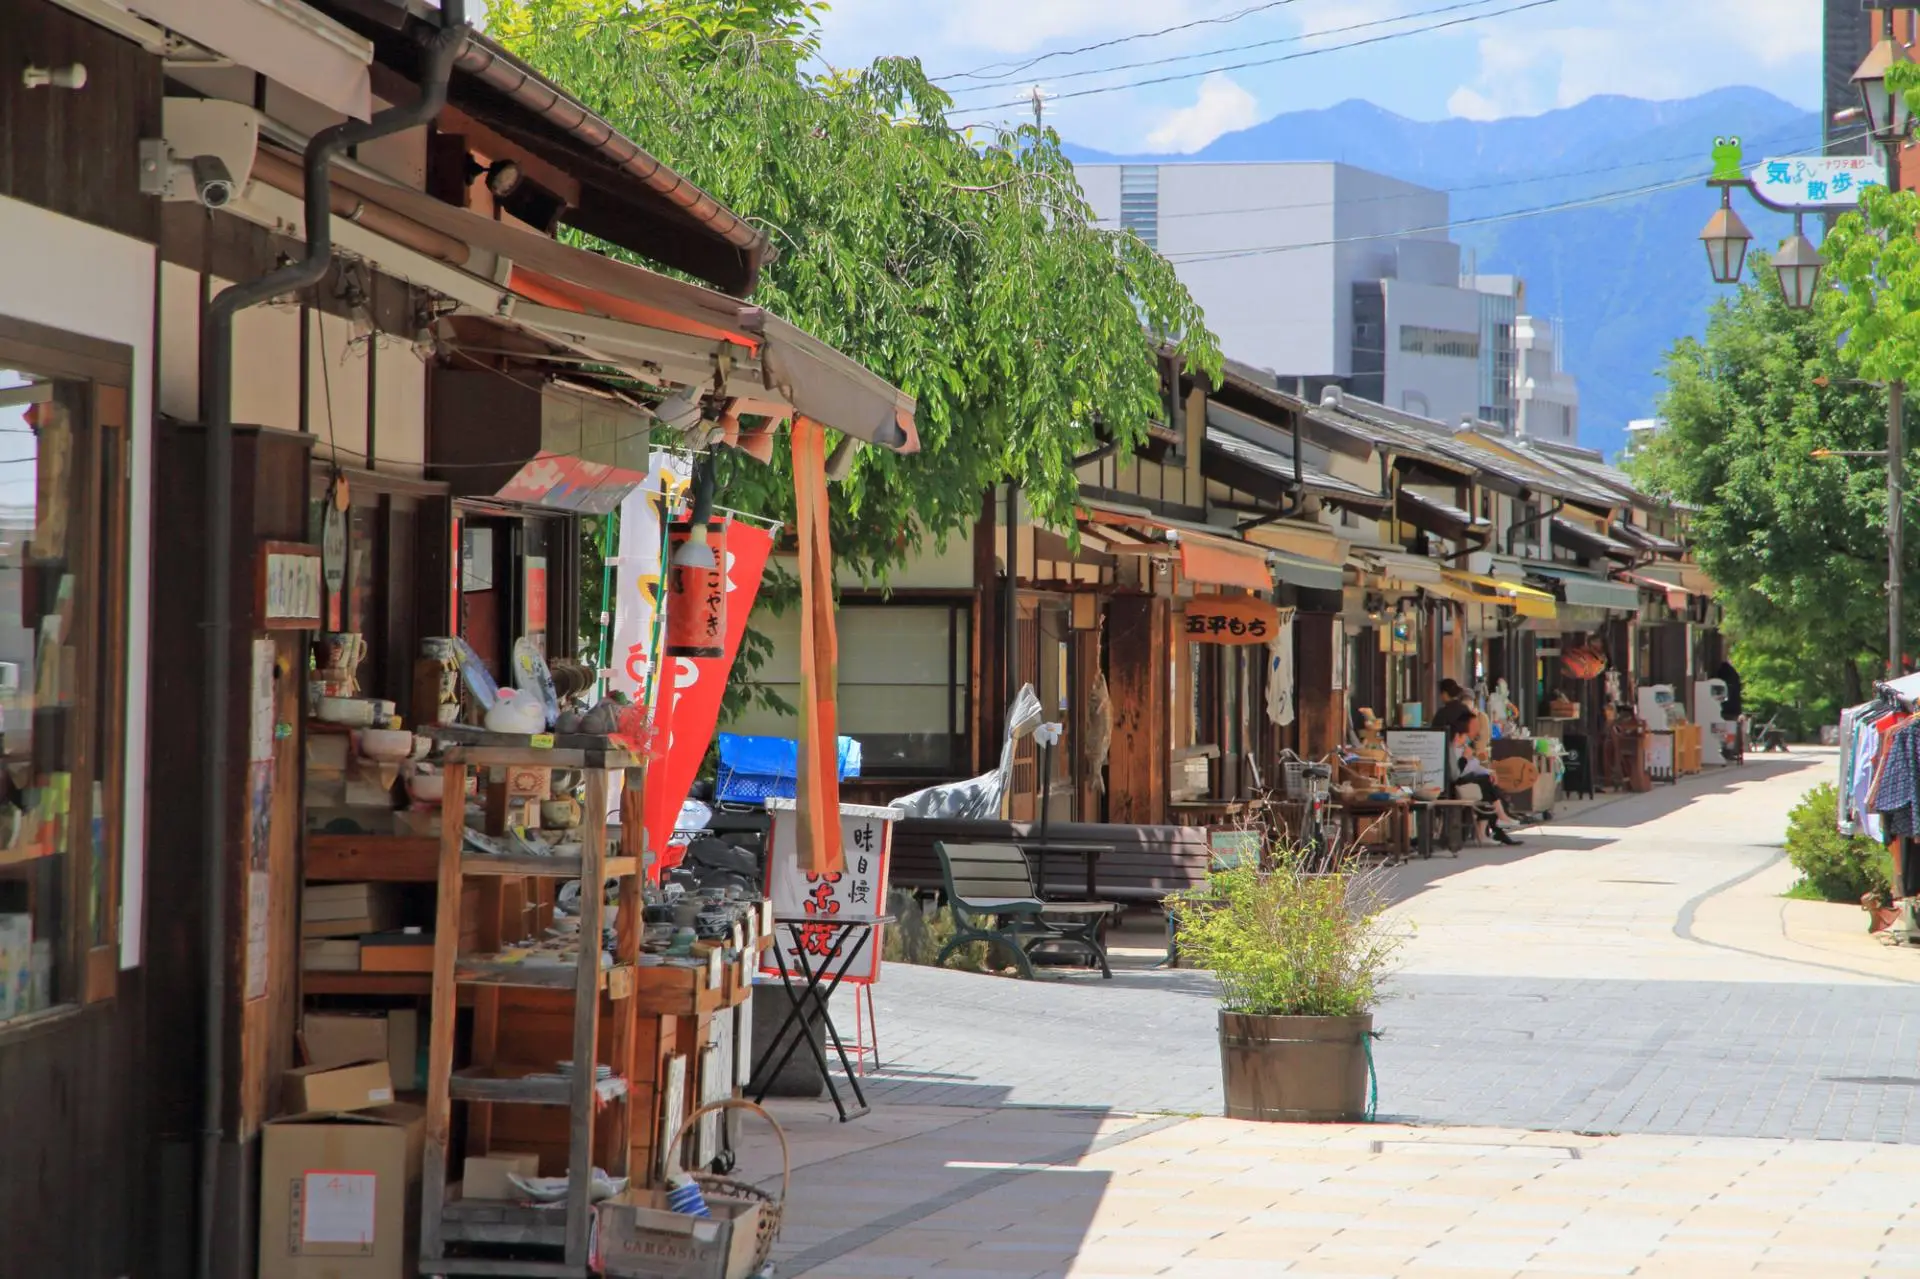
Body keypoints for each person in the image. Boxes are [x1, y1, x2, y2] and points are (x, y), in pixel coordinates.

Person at [1449, 717, 1521, 846]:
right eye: (1464, 736)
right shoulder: (1451, 751)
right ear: (1457, 736)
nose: (1466, 739)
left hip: (1468, 781)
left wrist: (1490, 772)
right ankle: (1500, 818)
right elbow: (1456, 773)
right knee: (1485, 783)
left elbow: (1474, 767)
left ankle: (1494, 825)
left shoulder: (1461, 748)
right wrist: (1465, 758)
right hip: (1457, 785)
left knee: (1489, 786)